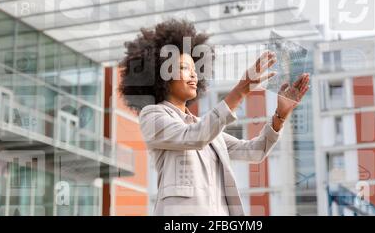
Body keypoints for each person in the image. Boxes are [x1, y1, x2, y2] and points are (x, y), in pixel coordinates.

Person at [118, 19, 310, 216]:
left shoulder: (207, 128)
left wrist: (280, 115)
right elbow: (194, 137)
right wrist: (240, 90)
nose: (194, 76)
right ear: (161, 73)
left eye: (195, 70)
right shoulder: (153, 116)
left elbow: (255, 151)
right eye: (184, 68)